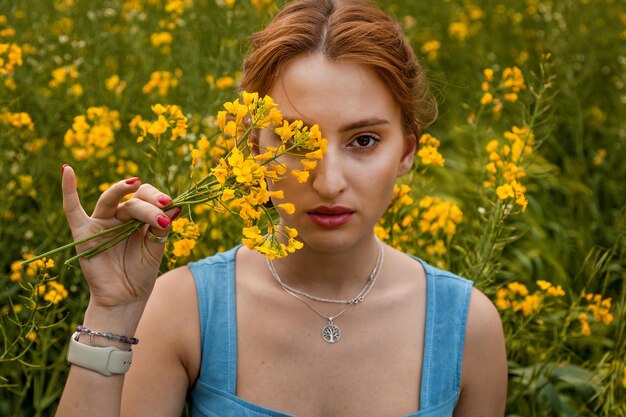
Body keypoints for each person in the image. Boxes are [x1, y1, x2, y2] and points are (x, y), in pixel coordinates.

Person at [55, 0, 508, 416]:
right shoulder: (180, 310)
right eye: (294, 142)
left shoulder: (468, 328)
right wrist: (111, 313)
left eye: (363, 141)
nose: (328, 182)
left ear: (408, 152)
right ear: (254, 149)